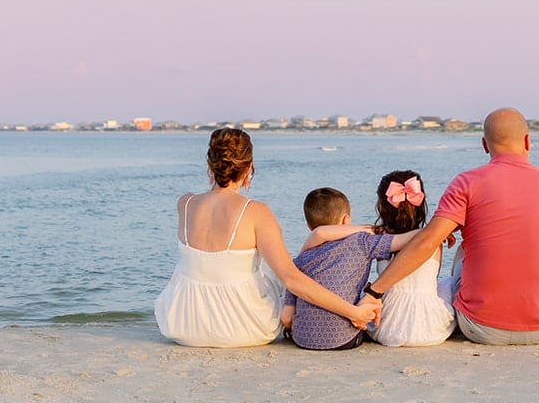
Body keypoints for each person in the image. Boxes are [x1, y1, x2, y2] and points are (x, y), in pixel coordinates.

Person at [365, 108, 539, 345]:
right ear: (527, 141)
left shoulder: (466, 183)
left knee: (465, 248)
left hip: (477, 327)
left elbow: (427, 242)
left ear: (484, 145)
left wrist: (375, 291)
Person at [153, 128, 377, 347]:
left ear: (210, 166)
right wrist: (353, 312)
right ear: (249, 168)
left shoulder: (185, 203)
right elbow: (292, 279)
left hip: (184, 324)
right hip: (243, 328)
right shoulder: (256, 212)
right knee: (281, 276)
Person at [293, 170, 457, 347]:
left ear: (382, 207)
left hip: (386, 328)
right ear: (420, 203)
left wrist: (368, 228)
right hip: (429, 330)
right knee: (447, 283)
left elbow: (320, 232)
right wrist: (437, 231)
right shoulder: (432, 240)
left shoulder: (376, 238)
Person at [278, 187, 398, 350]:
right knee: (367, 290)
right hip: (344, 339)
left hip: (303, 340)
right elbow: (400, 243)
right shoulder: (361, 242)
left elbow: (287, 318)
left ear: (308, 225)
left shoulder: (299, 261)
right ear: (346, 220)